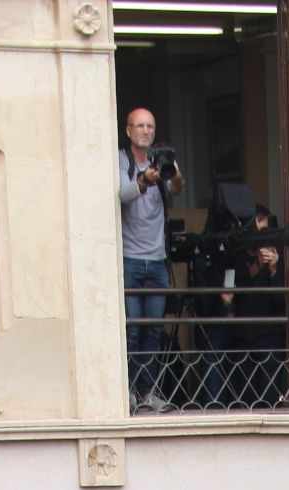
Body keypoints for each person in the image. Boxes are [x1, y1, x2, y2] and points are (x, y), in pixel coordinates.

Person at [120, 107, 181, 411]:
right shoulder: (122, 160)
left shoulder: (163, 158)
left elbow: (177, 190)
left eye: (150, 126)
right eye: (140, 126)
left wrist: (173, 174)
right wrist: (144, 180)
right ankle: (128, 392)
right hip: (130, 258)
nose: (145, 131)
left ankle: (148, 393)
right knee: (132, 329)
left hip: (157, 260)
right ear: (128, 131)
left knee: (154, 331)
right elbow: (120, 194)